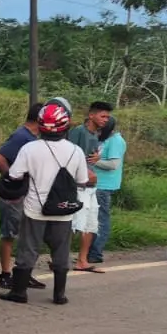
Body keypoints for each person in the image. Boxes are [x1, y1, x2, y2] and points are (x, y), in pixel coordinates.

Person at [0, 100, 90, 306]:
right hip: (64, 211)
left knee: (28, 249)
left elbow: (14, 175)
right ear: (65, 125)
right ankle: (59, 295)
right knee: (61, 251)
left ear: (40, 125)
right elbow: (82, 180)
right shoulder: (76, 151)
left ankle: (19, 292)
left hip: (35, 210)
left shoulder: (30, 149)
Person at [0, 102, 45, 289]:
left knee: (27, 234)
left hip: (27, 194)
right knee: (10, 233)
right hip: (14, 195)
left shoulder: (33, 138)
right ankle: (5, 274)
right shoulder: (21, 136)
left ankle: (23, 272)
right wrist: (11, 179)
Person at [68, 102, 112, 272]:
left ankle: (82, 260)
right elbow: (69, 155)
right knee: (74, 223)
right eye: (103, 116)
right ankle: (60, 258)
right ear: (91, 115)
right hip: (78, 184)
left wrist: (96, 160)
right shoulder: (79, 132)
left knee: (91, 223)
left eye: (108, 117)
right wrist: (85, 172)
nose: (106, 120)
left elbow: (90, 158)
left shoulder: (96, 135)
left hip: (91, 185)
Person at [89, 113, 125, 265]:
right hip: (95, 183)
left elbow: (113, 165)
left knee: (101, 219)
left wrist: (95, 162)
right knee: (93, 219)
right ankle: (91, 251)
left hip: (104, 185)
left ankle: (96, 252)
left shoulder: (116, 141)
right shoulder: (103, 139)